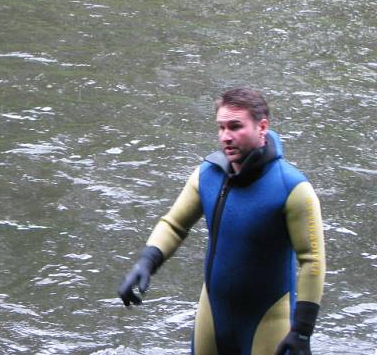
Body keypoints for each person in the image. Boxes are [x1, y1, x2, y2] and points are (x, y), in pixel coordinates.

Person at [118, 87, 326, 355]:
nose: (225, 137)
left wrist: (301, 331)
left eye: (235, 127)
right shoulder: (208, 175)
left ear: (262, 127)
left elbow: (312, 259)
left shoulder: (292, 188)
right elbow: (174, 224)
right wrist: (147, 261)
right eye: (221, 127)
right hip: (213, 316)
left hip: (268, 322)